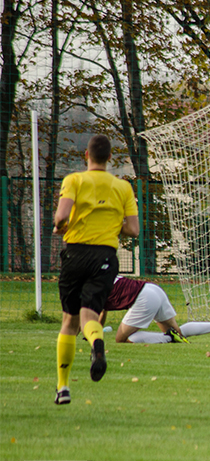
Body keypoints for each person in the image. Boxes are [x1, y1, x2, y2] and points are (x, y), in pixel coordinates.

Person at [53, 135, 139, 405]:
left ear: (86, 157)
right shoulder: (122, 187)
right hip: (105, 256)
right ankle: (96, 344)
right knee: (90, 313)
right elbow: (133, 229)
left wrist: (59, 226)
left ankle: (63, 387)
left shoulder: (74, 180)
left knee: (69, 321)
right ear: (110, 158)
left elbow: (62, 216)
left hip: (76, 253)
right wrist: (112, 225)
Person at [99, 275, 210, 344]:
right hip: (152, 289)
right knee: (179, 333)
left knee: (121, 339)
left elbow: (93, 313)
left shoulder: (89, 285)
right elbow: (101, 310)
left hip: (144, 298)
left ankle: (168, 338)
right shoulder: (101, 274)